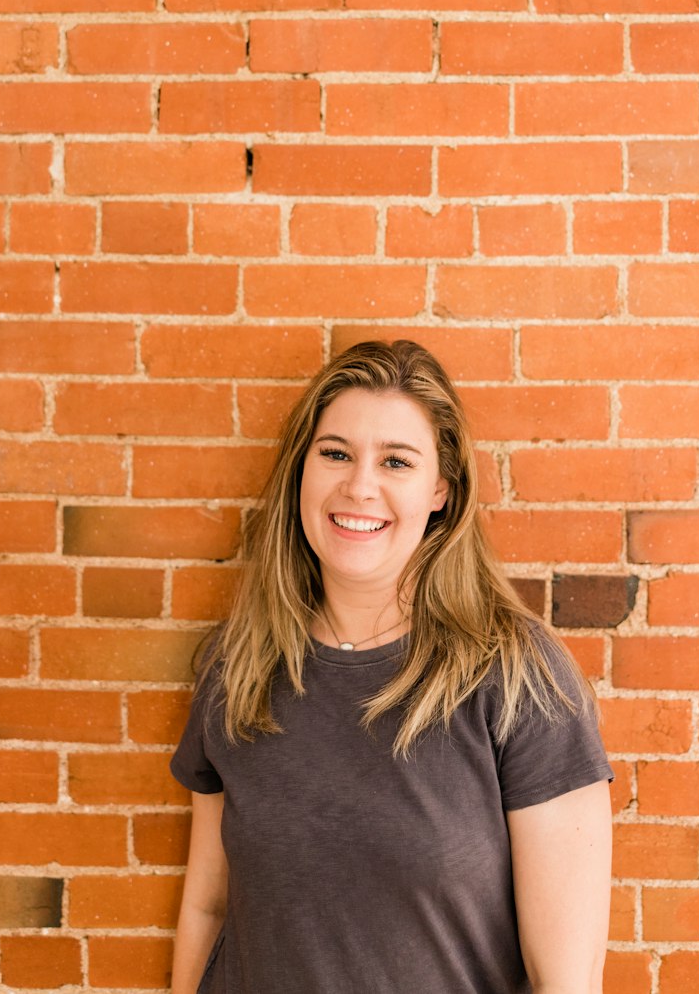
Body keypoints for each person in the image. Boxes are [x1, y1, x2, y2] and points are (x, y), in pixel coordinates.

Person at [170, 338, 613, 994]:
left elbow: (566, 982)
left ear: (441, 489)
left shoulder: (517, 678)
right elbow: (209, 906)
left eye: (396, 461)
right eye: (336, 454)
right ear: (302, 470)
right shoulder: (239, 668)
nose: (359, 486)